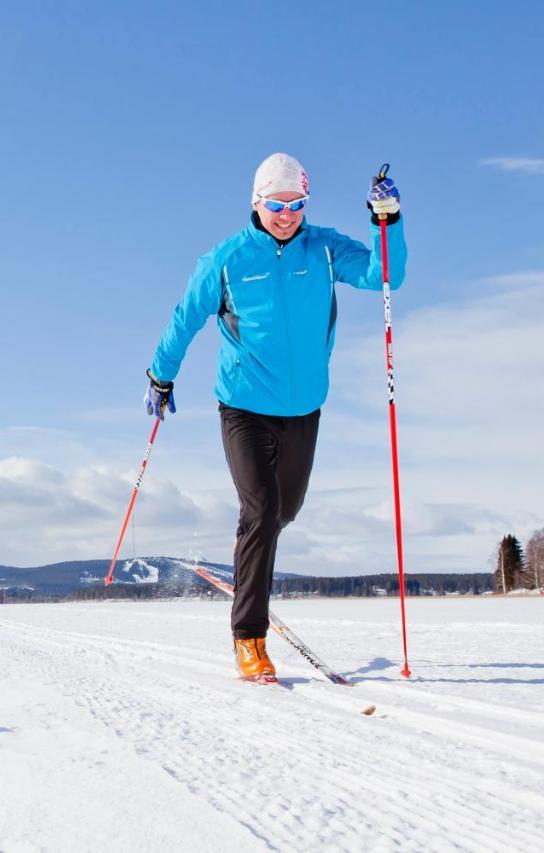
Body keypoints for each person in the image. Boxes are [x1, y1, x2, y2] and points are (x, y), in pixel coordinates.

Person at [143, 153, 406, 680]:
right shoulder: (227, 259)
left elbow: (386, 276)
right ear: (256, 202)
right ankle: (249, 636)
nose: (286, 214)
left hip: (305, 407)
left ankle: (249, 556)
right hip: (243, 404)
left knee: (283, 512)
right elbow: (185, 317)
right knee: (262, 512)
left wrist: (388, 222)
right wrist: (160, 374)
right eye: (275, 204)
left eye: (296, 204)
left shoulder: (325, 248)